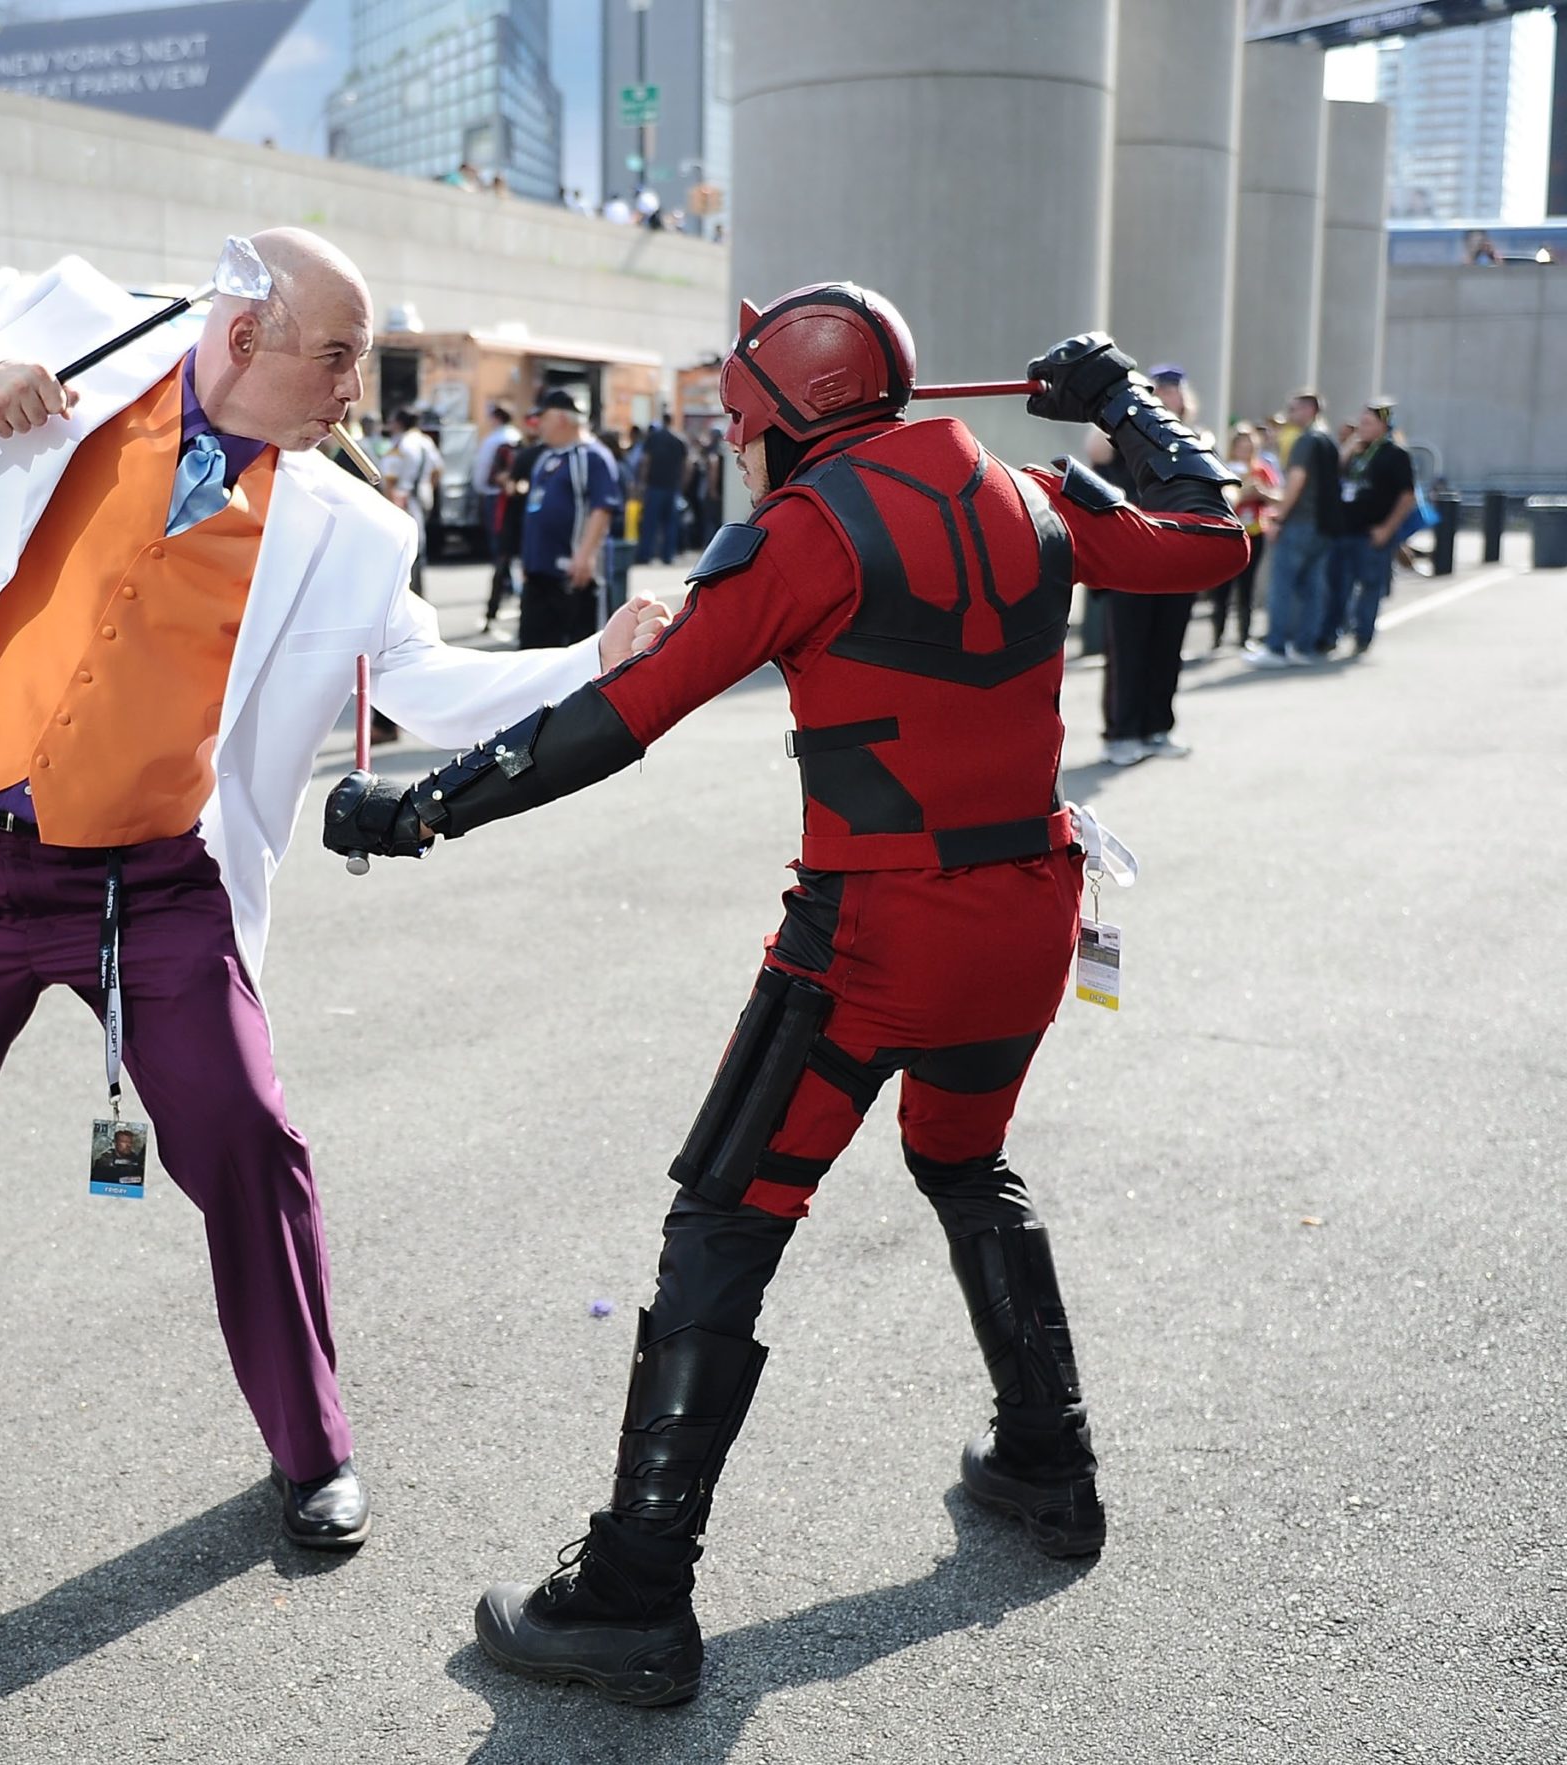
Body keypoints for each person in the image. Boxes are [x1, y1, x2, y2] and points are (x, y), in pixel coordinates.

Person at [325, 289, 1245, 1705]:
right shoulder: (1038, 494)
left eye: (740, 421)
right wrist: (1121, 395)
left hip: (873, 941)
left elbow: (622, 715)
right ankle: (1050, 1463)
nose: (732, 447)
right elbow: (1212, 533)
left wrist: (421, 808)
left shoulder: (810, 531)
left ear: (782, 418)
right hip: (1028, 918)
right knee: (962, 1159)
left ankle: (635, 1588)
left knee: (727, 1218)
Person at [0, 223, 672, 1554]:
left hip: (149, 886)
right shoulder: (81, 335)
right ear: (246, 338)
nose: (353, 393)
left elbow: (428, 682)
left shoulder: (353, 527)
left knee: (250, 1139)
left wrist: (593, 657)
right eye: (341, 360)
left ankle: (312, 1444)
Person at [1099, 365, 1203, 765]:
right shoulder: (1121, 431)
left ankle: (1157, 728)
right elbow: (1095, 448)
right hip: (1132, 555)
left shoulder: (1192, 439)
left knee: (1167, 647)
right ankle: (1122, 733)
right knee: (1127, 648)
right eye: (1157, 387)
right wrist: (1128, 401)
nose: (1165, 393)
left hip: (1178, 557)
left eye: (1173, 389)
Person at [516, 389, 622, 650]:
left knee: (579, 652)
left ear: (562, 418)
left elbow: (602, 507)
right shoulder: (546, 458)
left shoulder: (590, 456)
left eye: (543, 417)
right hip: (540, 573)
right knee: (535, 650)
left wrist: (585, 555)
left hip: (571, 574)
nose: (538, 424)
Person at [1245, 389, 1340, 668]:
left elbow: (1297, 481)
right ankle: (1303, 646)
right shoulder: (1328, 441)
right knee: (1312, 589)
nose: (1289, 413)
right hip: (1323, 526)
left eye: (1294, 408)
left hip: (1300, 523)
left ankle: (1276, 647)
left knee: (1282, 588)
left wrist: (1279, 518)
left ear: (1310, 410)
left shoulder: (1306, 441)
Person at [1325, 400, 1415, 658]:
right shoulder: (1357, 451)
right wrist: (1349, 447)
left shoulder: (1396, 455)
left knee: (1369, 586)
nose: (1360, 427)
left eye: (1367, 423)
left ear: (1383, 426)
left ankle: (1363, 635)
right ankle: (1333, 633)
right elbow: (1337, 476)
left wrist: (1387, 529)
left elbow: (1407, 496)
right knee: (1339, 585)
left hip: (1372, 533)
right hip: (1345, 530)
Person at [1206, 423, 1277, 649]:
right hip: (1226, 533)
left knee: (1247, 587)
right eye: (1241, 445)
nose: (1245, 450)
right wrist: (1244, 492)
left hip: (1254, 533)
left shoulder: (1262, 469)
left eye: (1249, 445)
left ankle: (1244, 636)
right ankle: (1217, 635)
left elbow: (1277, 495)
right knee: (1222, 587)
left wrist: (1262, 493)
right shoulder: (1224, 467)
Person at [475, 404, 520, 632]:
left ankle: (505, 591)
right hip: (508, 503)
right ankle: (508, 588)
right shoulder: (513, 440)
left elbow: (486, 470)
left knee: (501, 553)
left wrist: (484, 486)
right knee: (505, 556)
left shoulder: (499, 441)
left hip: (501, 502)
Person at [385, 407, 440, 596]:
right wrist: (428, 487)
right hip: (423, 497)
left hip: (404, 498)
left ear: (399, 423)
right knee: (420, 546)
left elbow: (390, 478)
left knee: (406, 548)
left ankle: (408, 592)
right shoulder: (426, 441)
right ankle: (419, 591)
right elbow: (438, 469)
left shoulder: (401, 444)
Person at [637, 408, 689, 566]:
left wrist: (642, 482)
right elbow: (686, 465)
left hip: (654, 485)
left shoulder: (653, 438)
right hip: (672, 486)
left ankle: (646, 555)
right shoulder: (679, 440)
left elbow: (646, 461)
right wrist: (683, 484)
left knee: (649, 523)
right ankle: (667, 556)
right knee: (670, 524)